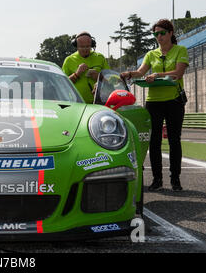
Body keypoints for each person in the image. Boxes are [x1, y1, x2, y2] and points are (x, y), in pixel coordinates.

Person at [121, 19, 189, 191]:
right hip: (153, 103)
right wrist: (129, 73)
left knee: (174, 140)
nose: (159, 37)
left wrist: (157, 74)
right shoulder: (151, 54)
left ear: (171, 33)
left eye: (162, 33)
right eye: (156, 34)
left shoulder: (180, 50)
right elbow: (140, 72)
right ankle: (157, 179)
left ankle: (175, 179)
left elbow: (178, 73)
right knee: (154, 141)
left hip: (174, 101)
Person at [63, 32, 110, 103]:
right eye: (82, 47)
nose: (85, 49)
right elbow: (63, 84)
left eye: (88, 46)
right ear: (76, 46)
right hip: (76, 103)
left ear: (92, 45)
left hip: (98, 102)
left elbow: (110, 82)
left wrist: (99, 78)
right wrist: (76, 74)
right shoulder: (69, 60)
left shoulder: (100, 58)